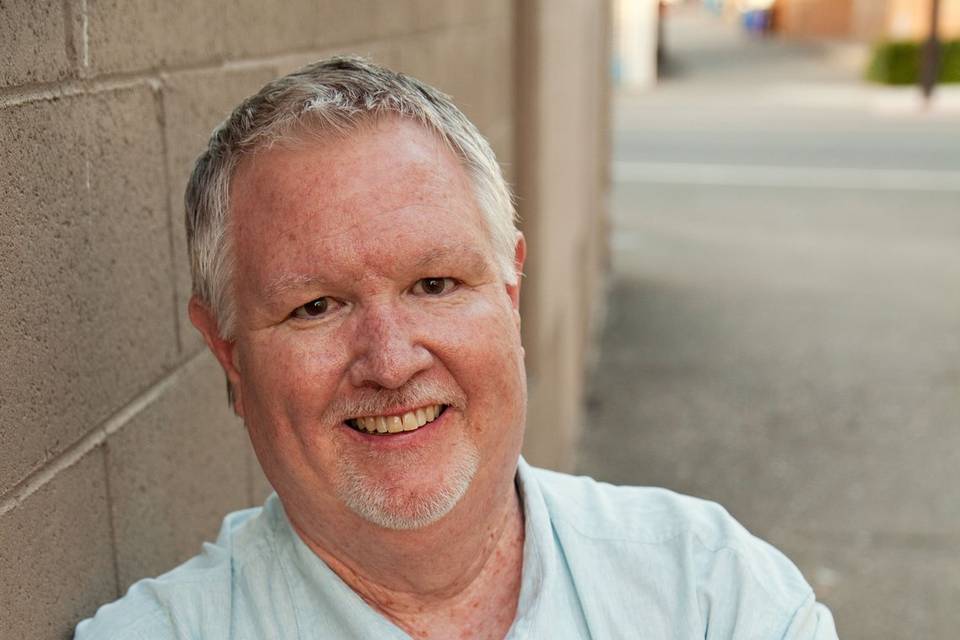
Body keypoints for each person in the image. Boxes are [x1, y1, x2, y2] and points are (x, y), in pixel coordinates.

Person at [75, 57, 837, 639]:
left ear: (509, 295)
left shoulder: (711, 595)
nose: (392, 360)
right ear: (229, 355)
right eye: (316, 306)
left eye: (434, 284)